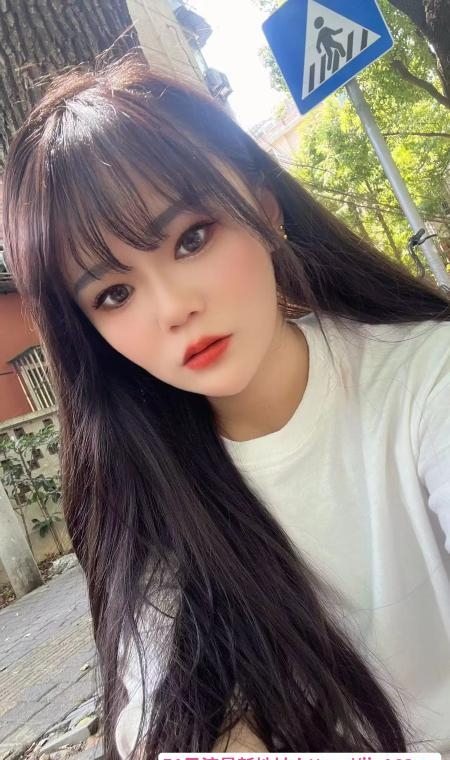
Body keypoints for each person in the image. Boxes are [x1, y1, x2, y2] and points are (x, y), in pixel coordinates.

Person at [3, 53, 450, 759]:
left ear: (264, 211)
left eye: (192, 238)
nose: (174, 308)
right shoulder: (145, 491)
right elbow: (161, 712)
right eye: (114, 293)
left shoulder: (426, 378)